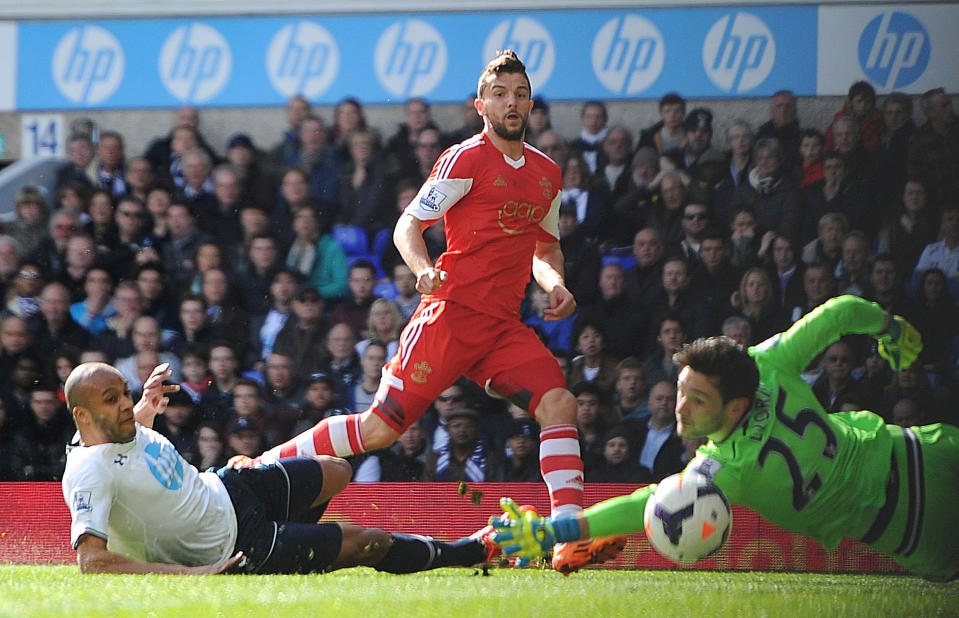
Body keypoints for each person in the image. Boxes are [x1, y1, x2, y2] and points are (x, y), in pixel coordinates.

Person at [231, 51, 623, 573]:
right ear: (480, 104)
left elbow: (544, 247)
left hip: (503, 327)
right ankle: (260, 467)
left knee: (559, 404)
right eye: (501, 94)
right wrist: (422, 269)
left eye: (520, 94)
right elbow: (407, 226)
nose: (512, 103)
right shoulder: (465, 159)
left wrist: (555, 284)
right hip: (450, 316)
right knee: (379, 430)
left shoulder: (547, 173)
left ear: (530, 103)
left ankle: (568, 538)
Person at [492, 294, 959, 582]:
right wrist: (889, 327)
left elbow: (648, 505)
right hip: (930, 451)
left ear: (735, 408)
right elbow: (843, 311)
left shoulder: (725, 469)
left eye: (697, 399)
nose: (680, 408)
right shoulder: (768, 364)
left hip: (917, 531)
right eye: (680, 391)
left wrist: (557, 529)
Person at [60, 361, 496, 574]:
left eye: (123, 393)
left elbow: (131, 449)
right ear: (81, 415)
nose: (123, 405)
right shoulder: (89, 471)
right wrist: (192, 574)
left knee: (336, 470)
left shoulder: (117, 427)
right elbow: (92, 561)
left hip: (225, 488)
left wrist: (145, 409)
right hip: (234, 541)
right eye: (111, 400)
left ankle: (297, 546)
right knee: (369, 542)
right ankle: (470, 552)